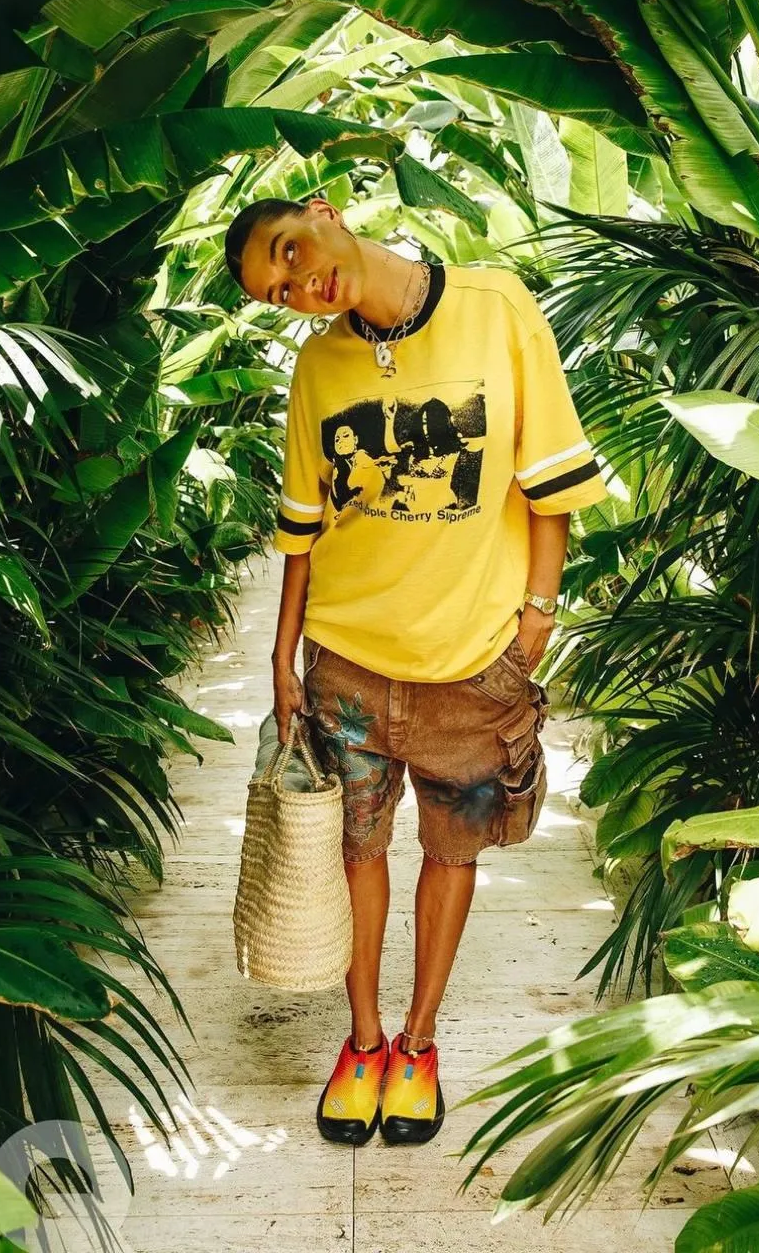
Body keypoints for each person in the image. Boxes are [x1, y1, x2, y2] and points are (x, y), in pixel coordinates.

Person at [224, 196, 608, 1148]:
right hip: (347, 665)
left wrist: (535, 623)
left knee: (450, 853)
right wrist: (282, 656)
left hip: (470, 665)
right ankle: (361, 1045)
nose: (299, 285)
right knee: (352, 852)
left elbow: (549, 483)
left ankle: (419, 1043)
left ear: (322, 213)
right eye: (279, 292)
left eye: (289, 252)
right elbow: (305, 528)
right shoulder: (318, 365)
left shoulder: (498, 306)